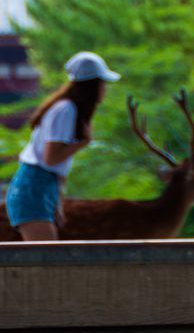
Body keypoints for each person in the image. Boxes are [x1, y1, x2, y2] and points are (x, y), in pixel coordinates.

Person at [5, 51, 121, 241]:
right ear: (92, 85)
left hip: (40, 186)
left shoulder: (65, 108)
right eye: (102, 83)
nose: (105, 89)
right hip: (34, 188)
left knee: (47, 258)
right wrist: (83, 143)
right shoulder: (66, 109)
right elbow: (51, 158)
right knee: (46, 260)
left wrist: (56, 199)